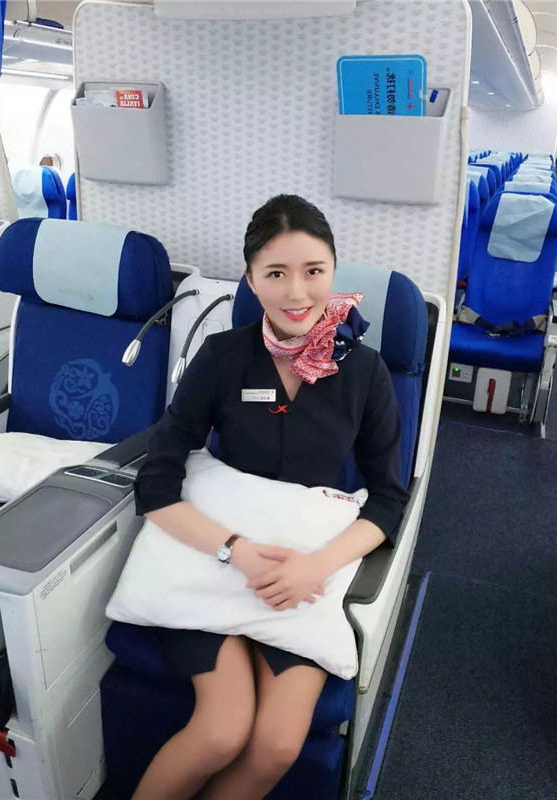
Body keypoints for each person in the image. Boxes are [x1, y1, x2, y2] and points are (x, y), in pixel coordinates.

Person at [131, 194, 409, 800]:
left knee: (278, 745)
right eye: (276, 273)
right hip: (217, 559)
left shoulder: (365, 372)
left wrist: (316, 566)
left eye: (313, 271)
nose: (297, 292)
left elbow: (389, 498)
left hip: (302, 569)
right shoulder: (222, 357)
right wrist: (235, 550)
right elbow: (155, 481)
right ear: (251, 279)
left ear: (334, 271)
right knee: (220, 732)